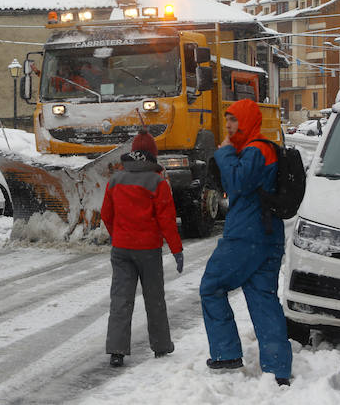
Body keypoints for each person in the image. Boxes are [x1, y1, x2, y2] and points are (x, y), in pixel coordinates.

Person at [199, 98, 292, 385]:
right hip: (267, 233)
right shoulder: (263, 149)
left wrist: (225, 152)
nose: (228, 125)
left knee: (211, 286)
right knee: (262, 298)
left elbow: (238, 183)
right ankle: (278, 370)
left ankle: (226, 353)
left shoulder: (255, 150)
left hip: (246, 235)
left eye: (234, 120)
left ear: (248, 121)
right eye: (227, 120)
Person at [101, 129, 183, 368]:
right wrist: (177, 250)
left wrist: (119, 236)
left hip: (122, 250)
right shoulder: (157, 182)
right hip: (148, 251)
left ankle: (117, 351)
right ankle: (161, 346)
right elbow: (166, 221)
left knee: (120, 300)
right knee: (154, 298)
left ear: (133, 153)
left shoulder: (116, 179)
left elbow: (107, 215)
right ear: (152, 156)